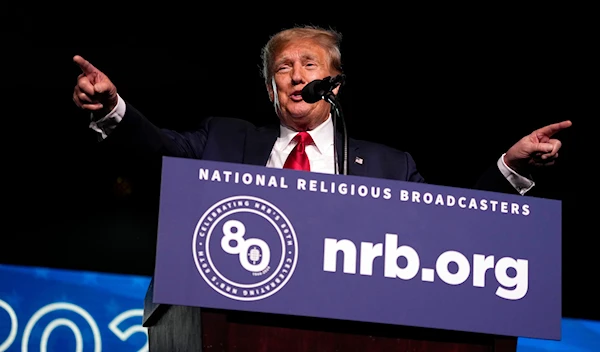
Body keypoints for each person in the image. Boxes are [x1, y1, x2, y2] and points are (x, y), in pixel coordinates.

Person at [72, 24, 571, 346]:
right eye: (282, 69)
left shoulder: (389, 164)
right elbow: (159, 150)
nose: (294, 76)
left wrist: (510, 166)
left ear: (334, 83)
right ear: (271, 90)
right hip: (228, 323)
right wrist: (115, 109)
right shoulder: (224, 138)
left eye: (308, 65)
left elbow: (454, 236)